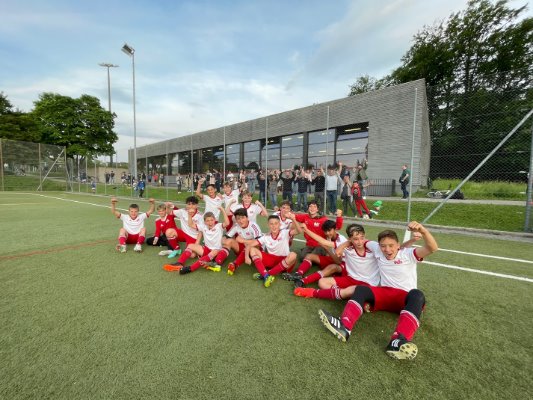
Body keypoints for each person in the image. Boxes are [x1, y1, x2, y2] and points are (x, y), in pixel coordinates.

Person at [317, 221, 438, 360]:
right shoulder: (375, 247)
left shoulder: (408, 254)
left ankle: (398, 341)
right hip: (385, 293)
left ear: (398, 246)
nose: (387, 249)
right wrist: (344, 245)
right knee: (362, 289)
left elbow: (432, 248)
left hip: (405, 299)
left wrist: (423, 230)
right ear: (378, 246)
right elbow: (358, 240)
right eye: (383, 246)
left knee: (417, 294)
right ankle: (344, 326)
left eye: (391, 246)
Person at [293, 223, 380, 299]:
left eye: (362, 237)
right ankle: (345, 293)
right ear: (350, 239)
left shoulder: (371, 246)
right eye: (356, 239)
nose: (360, 242)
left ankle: (344, 293)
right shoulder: (347, 246)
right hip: (350, 276)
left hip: (364, 281)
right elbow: (322, 241)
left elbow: (338, 259)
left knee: (332, 267)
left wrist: (339, 248)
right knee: (322, 282)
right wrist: (306, 230)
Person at [165, 206, 230, 274]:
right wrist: (189, 215)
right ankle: (180, 263)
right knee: (190, 245)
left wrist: (222, 210)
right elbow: (191, 224)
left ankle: (191, 268)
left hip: (216, 252)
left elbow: (227, 223)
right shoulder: (203, 227)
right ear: (204, 222)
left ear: (214, 220)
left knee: (215, 251)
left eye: (211, 220)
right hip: (206, 249)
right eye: (207, 221)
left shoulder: (219, 226)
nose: (210, 222)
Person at [244, 214, 301, 288]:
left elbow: (299, 231)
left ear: (279, 225)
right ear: (268, 225)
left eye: (276, 223)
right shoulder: (265, 237)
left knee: (293, 255)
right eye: (271, 224)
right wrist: (246, 257)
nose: (274, 226)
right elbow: (250, 245)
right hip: (271, 261)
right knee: (252, 249)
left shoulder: (285, 233)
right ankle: (266, 275)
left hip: (285, 262)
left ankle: (266, 274)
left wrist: (293, 219)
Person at [290, 219, 346, 288]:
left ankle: (303, 281)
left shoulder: (341, 240)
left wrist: (327, 249)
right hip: (333, 258)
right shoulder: (329, 237)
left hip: (342, 264)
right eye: (326, 231)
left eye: (329, 231)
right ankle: (298, 274)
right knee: (309, 256)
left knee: (332, 267)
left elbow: (338, 262)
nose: (327, 233)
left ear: (335, 229)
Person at [222, 207, 263, 275]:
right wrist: (224, 242)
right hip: (242, 249)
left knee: (251, 246)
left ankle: (235, 264)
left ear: (247, 218)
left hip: (254, 250)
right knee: (228, 241)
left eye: (242, 218)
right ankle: (218, 261)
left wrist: (243, 240)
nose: (241, 221)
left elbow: (259, 243)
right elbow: (225, 237)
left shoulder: (253, 226)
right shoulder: (236, 226)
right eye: (238, 218)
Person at [163, 196, 204, 261]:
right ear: (186, 205)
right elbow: (169, 212)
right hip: (183, 233)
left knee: (192, 255)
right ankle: (177, 249)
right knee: (169, 232)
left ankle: (199, 248)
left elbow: (201, 231)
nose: (191, 206)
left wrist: (197, 243)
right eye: (189, 204)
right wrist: (167, 206)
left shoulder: (200, 216)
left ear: (197, 205)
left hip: (193, 236)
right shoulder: (182, 211)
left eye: (193, 204)